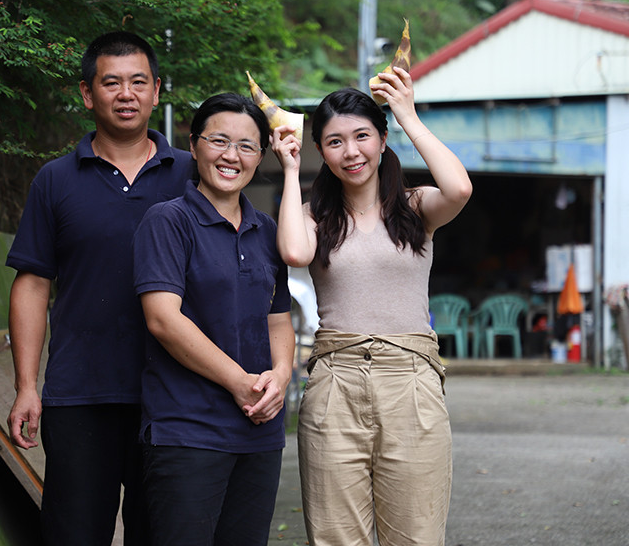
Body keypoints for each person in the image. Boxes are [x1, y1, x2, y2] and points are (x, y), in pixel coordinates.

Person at [5, 31, 195, 546]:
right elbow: (32, 284)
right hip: (79, 396)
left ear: (157, 90)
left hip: (174, 396)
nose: (126, 94)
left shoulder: (193, 174)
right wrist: (27, 385)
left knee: (161, 535)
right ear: (89, 94)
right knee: (73, 535)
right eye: (111, 83)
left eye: (138, 82)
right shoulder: (55, 180)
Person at [271, 67, 472, 546]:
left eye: (362, 136)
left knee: (416, 535)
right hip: (335, 380)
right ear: (322, 150)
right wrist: (293, 170)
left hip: (411, 379)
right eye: (335, 142)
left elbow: (460, 189)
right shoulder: (313, 218)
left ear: (382, 140)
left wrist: (407, 115)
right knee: (337, 537)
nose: (351, 152)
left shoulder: (417, 206)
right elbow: (295, 254)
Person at [132, 93, 296, 546]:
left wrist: (280, 378)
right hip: (187, 430)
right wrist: (240, 382)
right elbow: (163, 319)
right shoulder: (168, 221)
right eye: (219, 141)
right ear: (195, 143)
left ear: (260, 155)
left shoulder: (267, 230)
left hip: (259, 433)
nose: (231, 156)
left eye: (246, 146)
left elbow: (278, 320)